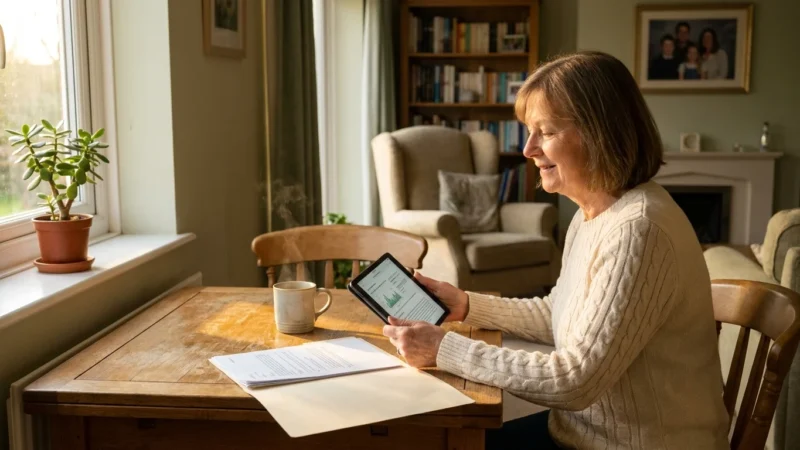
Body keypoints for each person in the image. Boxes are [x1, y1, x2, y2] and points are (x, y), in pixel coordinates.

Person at [382, 51, 730, 449]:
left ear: (601, 133)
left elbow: (573, 381)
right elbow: (559, 312)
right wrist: (466, 305)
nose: (528, 149)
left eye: (545, 131)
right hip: (577, 433)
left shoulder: (639, 228)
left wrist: (444, 348)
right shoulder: (594, 214)